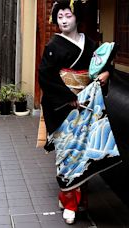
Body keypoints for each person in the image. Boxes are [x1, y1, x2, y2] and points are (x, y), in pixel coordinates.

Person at [38, 0, 118, 224]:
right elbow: (46, 76)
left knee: (83, 152)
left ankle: (77, 198)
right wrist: (68, 98)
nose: (63, 20)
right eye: (60, 16)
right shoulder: (53, 46)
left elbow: (104, 65)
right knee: (67, 154)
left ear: (76, 18)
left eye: (68, 16)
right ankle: (69, 200)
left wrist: (106, 75)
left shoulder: (90, 43)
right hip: (64, 106)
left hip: (87, 105)